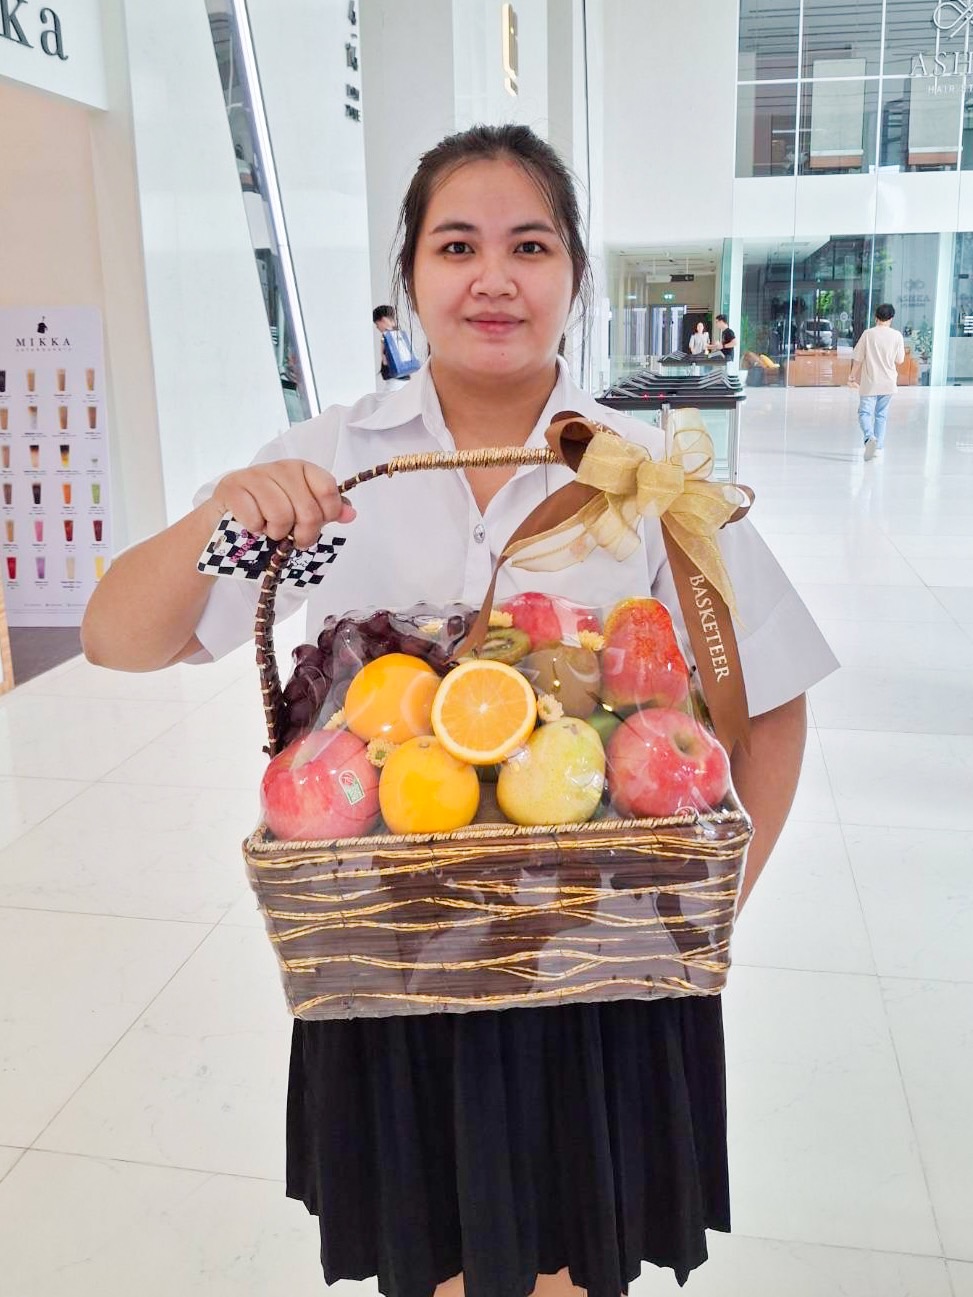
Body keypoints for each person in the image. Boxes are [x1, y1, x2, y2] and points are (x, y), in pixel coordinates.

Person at [81, 124, 837, 1297]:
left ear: (575, 276)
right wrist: (227, 513)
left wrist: (698, 924)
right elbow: (120, 638)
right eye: (456, 245)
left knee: (578, 1263)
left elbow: (773, 705)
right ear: (410, 278)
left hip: (596, 966)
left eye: (529, 245)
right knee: (425, 1258)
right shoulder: (330, 465)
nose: (494, 277)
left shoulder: (645, 477)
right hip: (396, 957)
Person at [848, 303, 905, 461]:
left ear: (876, 317)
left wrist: (851, 376)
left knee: (865, 413)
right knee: (881, 415)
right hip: (888, 382)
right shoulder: (897, 336)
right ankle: (878, 447)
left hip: (870, 382)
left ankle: (869, 438)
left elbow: (858, 358)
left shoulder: (868, 334)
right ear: (891, 318)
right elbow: (900, 360)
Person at [373, 303, 418, 389]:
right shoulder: (403, 335)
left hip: (394, 382)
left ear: (383, 320)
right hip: (407, 380)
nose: (377, 327)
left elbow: (385, 361)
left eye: (377, 324)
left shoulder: (386, 336)